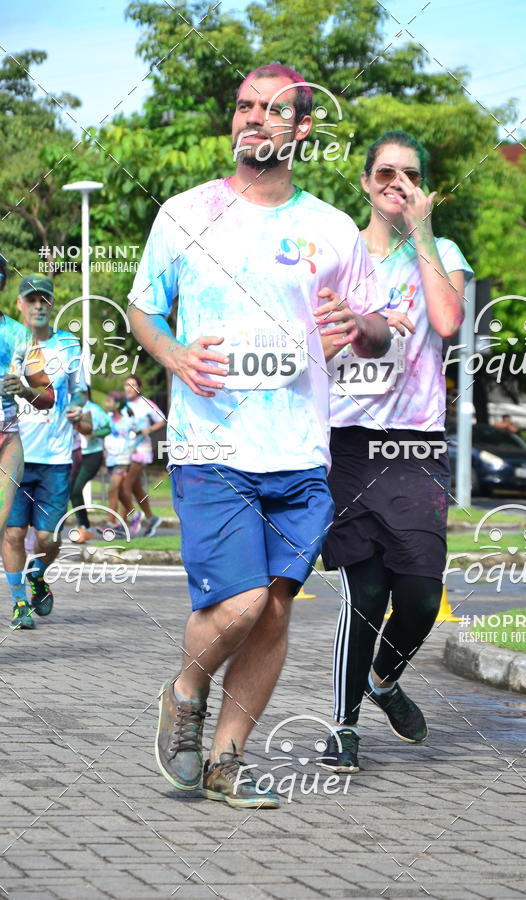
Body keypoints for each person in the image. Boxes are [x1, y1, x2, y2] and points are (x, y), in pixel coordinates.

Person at [128, 64, 390, 809]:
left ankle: (226, 762)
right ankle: (184, 691)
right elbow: (142, 308)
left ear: (301, 129)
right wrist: (174, 355)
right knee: (240, 604)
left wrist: (360, 329)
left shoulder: (332, 229)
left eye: (273, 111)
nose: (254, 119)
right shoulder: (184, 214)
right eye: (245, 106)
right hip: (212, 447)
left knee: (275, 609)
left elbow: (373, 328)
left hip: (301, 449)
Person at [319, 131, 474, 772]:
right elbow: (312, 349)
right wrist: (359, 330)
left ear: (423, 188)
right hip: (349, 446)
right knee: (366, 593)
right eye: (385, 172)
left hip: (416, 447)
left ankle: (385, 678)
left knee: (418, 596)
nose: (396, 182)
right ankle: (342, 725)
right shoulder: (335, 255)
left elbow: (446, 322)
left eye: (410, 174)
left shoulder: (441, 252)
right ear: (364, 181)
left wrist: (425, 230)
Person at [2, 276, 86, 629]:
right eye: (31, 299)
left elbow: (79, 391)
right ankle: (20, 602)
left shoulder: (69, 345)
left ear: (51, 305)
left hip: (55, 456)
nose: (37, 305)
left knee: (49, 538)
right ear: (20, 304)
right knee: (14, 533)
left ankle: (38, 573)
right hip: (15, 449)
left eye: (44, 300)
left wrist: (79, 408)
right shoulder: (10, 342)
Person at [0, 267, 55, 629]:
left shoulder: (19, 336)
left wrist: (22, 390)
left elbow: (47, 396)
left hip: (6, 439)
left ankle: (20, 600)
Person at [122, 375, 165, 537]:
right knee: (135, 488)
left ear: (138, 388)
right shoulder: (122, 405)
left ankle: (124, 523)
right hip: (125, 451)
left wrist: (148, 430)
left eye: (132, 385)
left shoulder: (146, 403)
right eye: (127, 385)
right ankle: (151, 518)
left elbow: (162, 420)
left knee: (124, 486)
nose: (129, 388)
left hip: (141, 450)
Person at [69, 387, 111, 543]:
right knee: (72, 490)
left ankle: (85, 527)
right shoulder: (70, 408)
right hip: (75, 454)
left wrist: (94, 434)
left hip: (92, 455)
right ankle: (84, 526)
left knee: (76, 489)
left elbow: (108, 428)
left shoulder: (94, 409)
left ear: (86, 394)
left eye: (81, 393)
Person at [100, 391, 139, 537]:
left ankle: (110, 522)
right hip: (110, 459)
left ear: (117, 404)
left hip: (122, 460)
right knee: (121, 492)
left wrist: (132, 451)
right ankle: (135, 516)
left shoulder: (128, 421)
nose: (107, 404)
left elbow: (139, 434)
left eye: (109, 401)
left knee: (112, 488)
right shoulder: (107, 419)